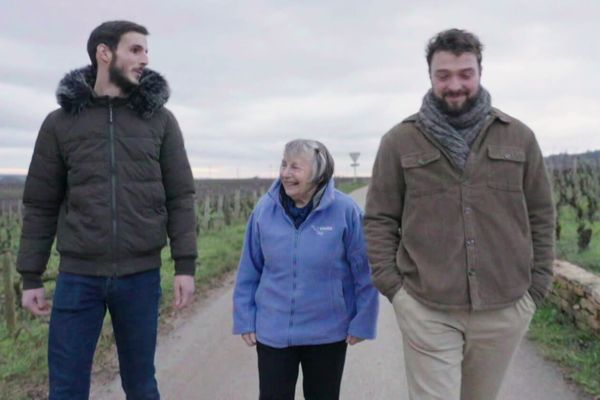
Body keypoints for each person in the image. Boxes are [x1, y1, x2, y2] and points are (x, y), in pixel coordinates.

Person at [364, 28, 555, 400]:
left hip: (505, 306)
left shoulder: (519, 138)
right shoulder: (399, 141)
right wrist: (396, 291)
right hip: (427, 307)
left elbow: (541, 215)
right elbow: (379, 219)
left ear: (480, 72)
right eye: (444, 75)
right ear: (430, 77)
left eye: (464, 73)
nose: (455, 85)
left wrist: (537, 286)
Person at [16, 20, 197, 399]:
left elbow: (180, 196)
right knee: (66, 388)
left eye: (146, 51)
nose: (145, 59)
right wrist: (31, 275)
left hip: (141, 276)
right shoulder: (60, 124)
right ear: (104, 52)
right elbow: (40, 202)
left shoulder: (160, 121)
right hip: (78, 278)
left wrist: (185, 266)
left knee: (142, 385)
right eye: (135, 49)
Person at [233, 139, 379, 400]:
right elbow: (249, 269)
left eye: (296, 167)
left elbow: (364, 272)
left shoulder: (346, 211)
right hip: (273, 331)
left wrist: (363, 320)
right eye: (284, 165)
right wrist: (245, 316)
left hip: (327, 333)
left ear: (318, 173)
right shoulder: (264, 211)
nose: (286, 173)